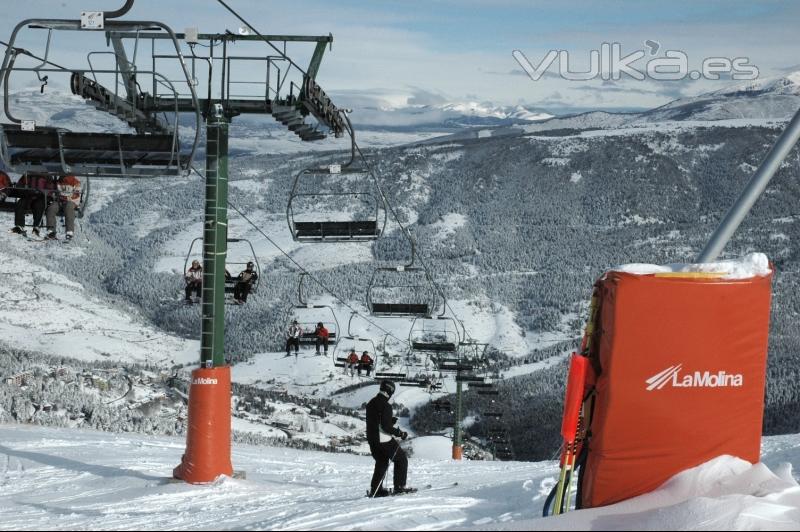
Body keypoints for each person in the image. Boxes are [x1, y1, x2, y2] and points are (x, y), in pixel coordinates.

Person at [366, 380, 412, 497]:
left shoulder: (371, 403)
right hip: (383, 439)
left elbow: (376, 421)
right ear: (390, 391)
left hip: (372, 439)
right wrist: (400, 433)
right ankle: (400, 487)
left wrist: (389, 421)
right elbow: (386, 427)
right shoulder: (386, 406)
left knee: (381, 462)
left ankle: (376, 490)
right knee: (401, 459)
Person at [45, 174, 81, 241]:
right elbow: (53, 191)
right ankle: (51, 230)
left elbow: (76, 194)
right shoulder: (58, 182)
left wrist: (66, 197)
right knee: (51, 208)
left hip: (71, 201)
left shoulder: (75, 182)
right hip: (59, 201)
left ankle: (69, 231)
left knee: (69, 208)